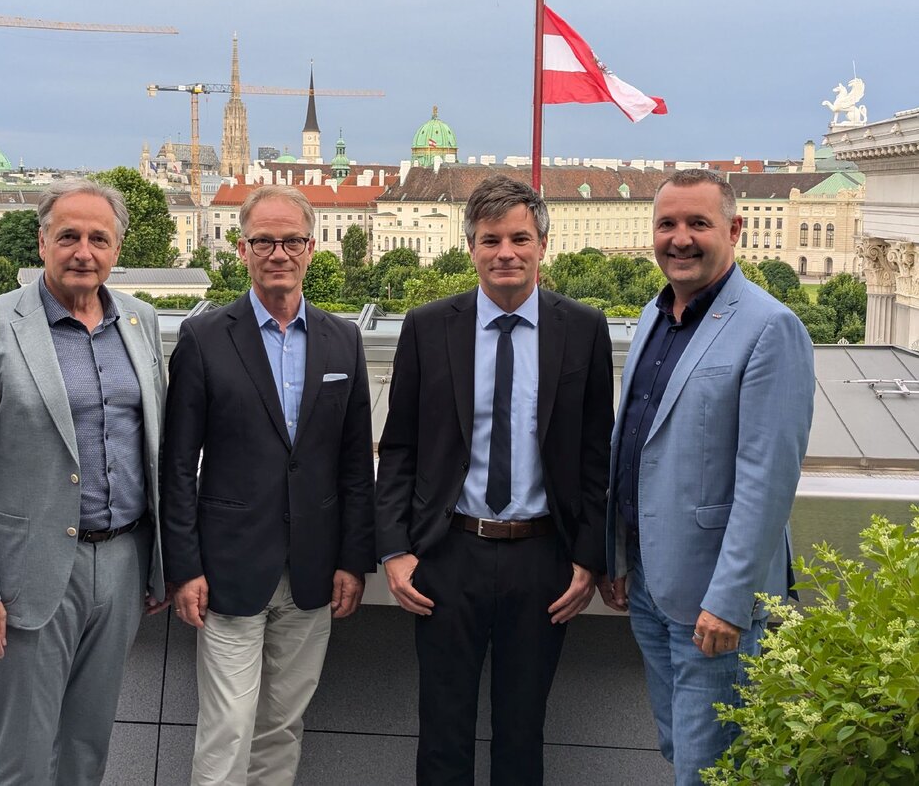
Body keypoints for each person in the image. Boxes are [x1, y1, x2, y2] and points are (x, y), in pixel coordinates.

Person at [376, 173, 613, 784]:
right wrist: (396, 551)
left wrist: (588, 559)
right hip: (448, 554)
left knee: (521, 732)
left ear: (542, 245)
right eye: (489, 240)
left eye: (519, 238)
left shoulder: (583, 328)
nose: (505, 252)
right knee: (442, 731)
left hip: (544, 561)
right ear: (470, 248)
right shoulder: (429, 327)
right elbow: (398, 446)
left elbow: (594, 457)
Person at [0, 178, 168, 784]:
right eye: (68, 236)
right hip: (28, 575)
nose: (83, 252)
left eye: (99, 238)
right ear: (42, 242)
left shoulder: (141, 324)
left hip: (121, 564)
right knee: (20, 759)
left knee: (86, 751)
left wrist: (161, 563)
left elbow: (154, 450)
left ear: (117, 248)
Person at [599, 169, 815, 784]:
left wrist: (731, 602)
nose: (680, 238)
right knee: (680, 750)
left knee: (711, 768)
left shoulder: (771, 327)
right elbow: (633, 445)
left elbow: (767, 482)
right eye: (667, 224)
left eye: (698, 223)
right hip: (647, 582)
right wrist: (617, 556)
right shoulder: (653, 316)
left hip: (714, 601)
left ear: (734, 230)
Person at [161, 184, 375, 786]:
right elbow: (177, 466)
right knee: (227, 727)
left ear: (311, 248)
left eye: (290, 241)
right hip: (227, 571)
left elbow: (356, 463)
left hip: (314, 569)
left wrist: (353, 560)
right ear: (242, 248)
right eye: (263, 241)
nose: (277, 253)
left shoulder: (342, 340)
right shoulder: (204, 339)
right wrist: (183, 567)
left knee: (282, 726)